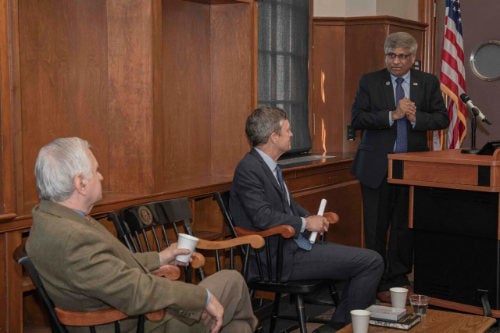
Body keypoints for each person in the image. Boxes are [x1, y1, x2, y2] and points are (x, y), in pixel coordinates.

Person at [26, 137, 258, 333]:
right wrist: (202, 297)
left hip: (122, 314)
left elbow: (111, 271)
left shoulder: (50, 220)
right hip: (134, 323)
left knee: (237, 328)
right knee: (233, 281)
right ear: (80, 183)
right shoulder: (73, 238)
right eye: (96, 171)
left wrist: (160, 257)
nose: (101, 177)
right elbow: (138, 291)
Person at [229, 106, 384, 332]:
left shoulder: (267, 165)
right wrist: (304, 223)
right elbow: (262, 217)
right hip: (276, 257)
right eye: (288, 130)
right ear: (274, 136)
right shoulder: (249, 169)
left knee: (364, 261)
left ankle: (339, 325)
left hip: (294, 248)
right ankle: (341, 327)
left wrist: (312, 218)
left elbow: (289, 206)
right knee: (371, 261)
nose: (292, 134)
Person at [350, 32, 449, 299]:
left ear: (413, 58)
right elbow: (358, 118)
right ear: (386, 55)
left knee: (405, 227)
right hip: (375, 167)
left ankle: (398, 278)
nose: (396, 61)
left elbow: (442, 118)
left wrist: (418, 118)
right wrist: (392, 115)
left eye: (403, 56)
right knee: (376, 227)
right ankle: (376, 280)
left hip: (412, 168)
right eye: (391, 56)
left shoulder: (427, 83)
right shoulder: (370, 81)